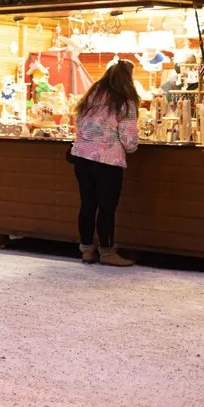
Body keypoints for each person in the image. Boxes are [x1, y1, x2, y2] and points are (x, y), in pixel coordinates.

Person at [69, 60, 139, 266]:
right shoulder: (125, 102)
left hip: (82, 157)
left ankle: (86, 250)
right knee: (107, 207)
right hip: (108, 161)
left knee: (87, 204)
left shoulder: (91, 97)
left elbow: (81, 125)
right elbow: (129, 141)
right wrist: (133, 145)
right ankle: (107, 252)